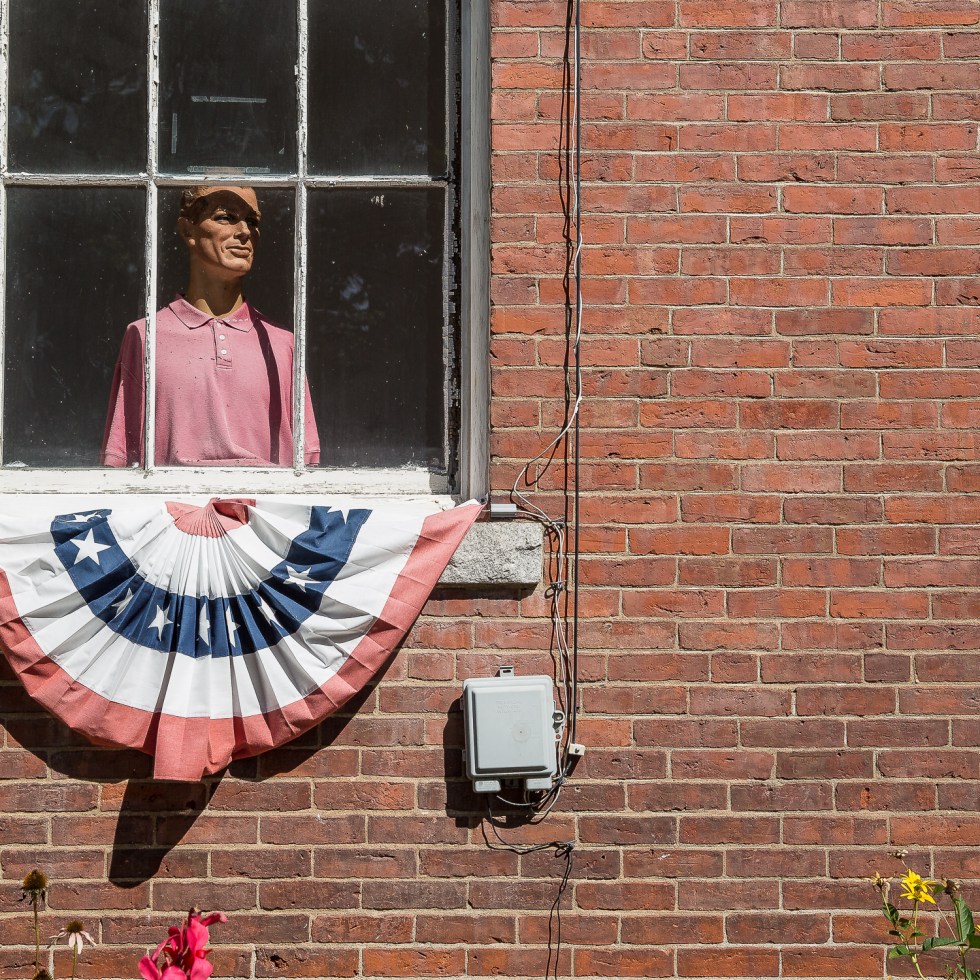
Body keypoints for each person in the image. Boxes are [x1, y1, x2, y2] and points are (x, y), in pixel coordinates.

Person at [102, 185, 319, 467]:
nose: (244, 232)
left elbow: (309, 465)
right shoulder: (146, 336)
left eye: (252, 222)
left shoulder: (283, 344)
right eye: (225, 217)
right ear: (187, 231)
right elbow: (121, 461)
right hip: (175, 507)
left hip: (262, 507)